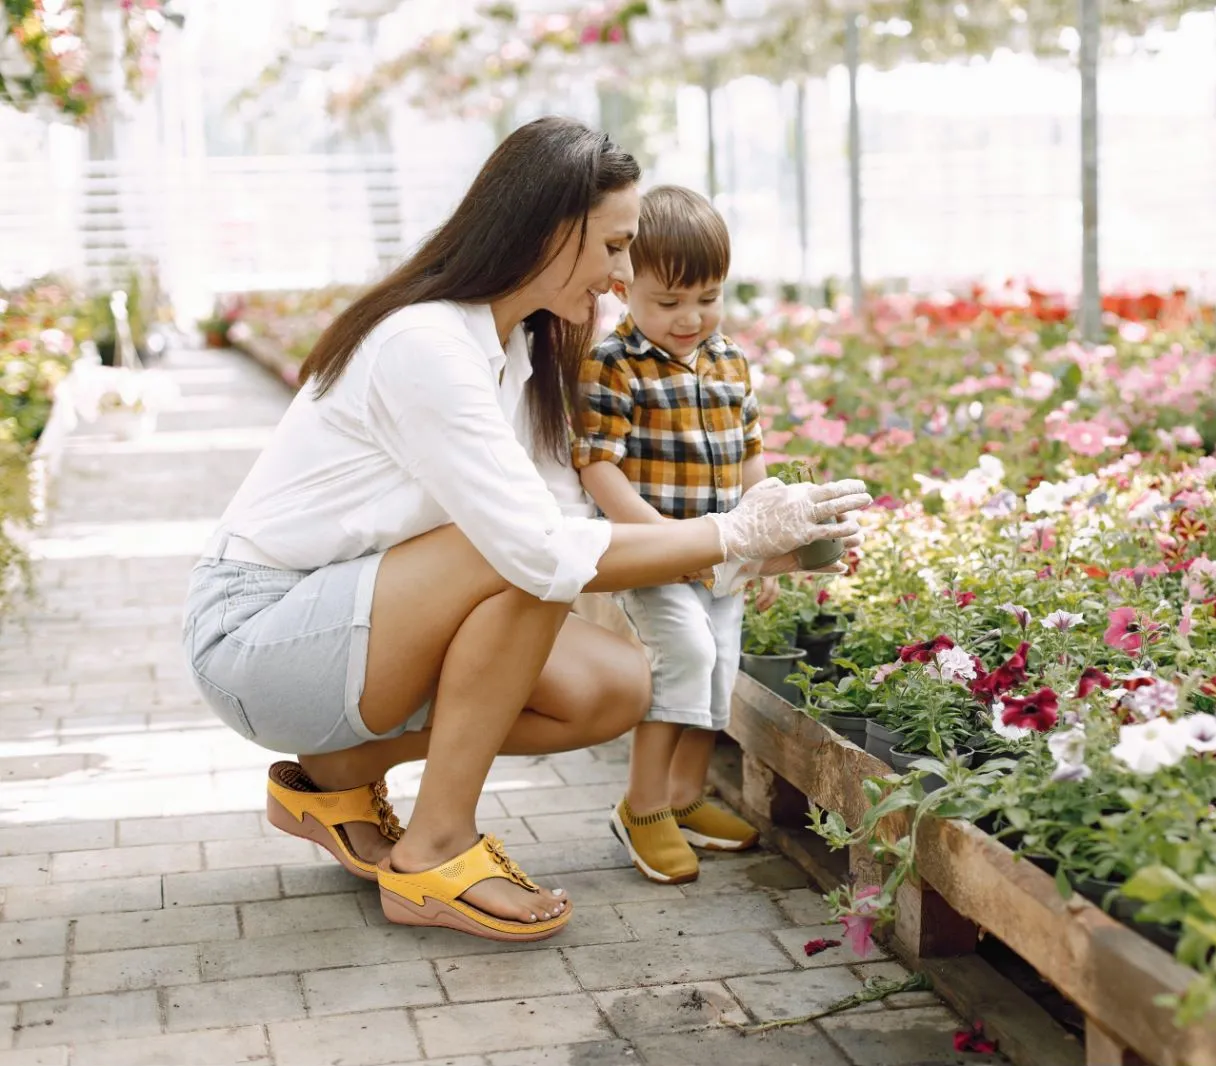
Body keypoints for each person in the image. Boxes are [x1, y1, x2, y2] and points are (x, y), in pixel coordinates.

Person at [180, 118, 870, 944]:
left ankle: (338, 777)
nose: (622, 279)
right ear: (548, 230)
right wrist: (735, 533)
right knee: (520, 553)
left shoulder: (528, 349)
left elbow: (575, 528)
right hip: (262, 638)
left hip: (363, 621)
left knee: (614, 687)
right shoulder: (425, 343)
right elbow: (541, 551)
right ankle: (435, 852)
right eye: (615, 248)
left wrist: (766, 551)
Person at [573, 186, 781, 885]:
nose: (690, 318)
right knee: (683, 657)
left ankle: (687, 799)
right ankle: (644, 807)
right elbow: (597, 465)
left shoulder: (729, 362)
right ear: (624, 285)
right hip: (653, 552)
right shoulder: (614, 363)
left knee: (719, 667)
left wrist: (763, 535)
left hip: (724, 554)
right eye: (669, 303)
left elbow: (751, 453)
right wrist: (662, 538)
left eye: (708, 297)